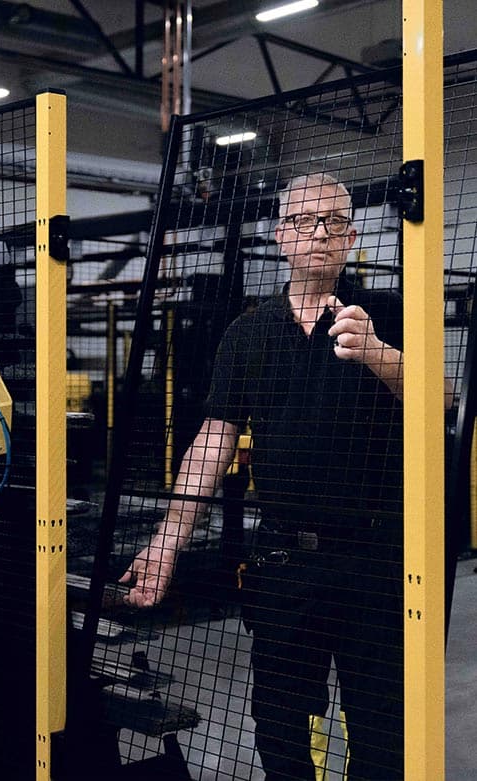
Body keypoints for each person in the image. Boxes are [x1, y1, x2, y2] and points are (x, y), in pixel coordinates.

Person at [119, 173, 431, 780]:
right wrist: (166, 543)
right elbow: (215, 438)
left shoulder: (388, 313)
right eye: (303, 221)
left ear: (352, 237)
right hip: (283, 559)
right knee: (283, 724)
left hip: (378, 559)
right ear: (279, 236)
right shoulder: (248, 333)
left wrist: (376, 352)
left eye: (335, 222)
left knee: (384, 727)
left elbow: (441, 399)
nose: (319, 233)